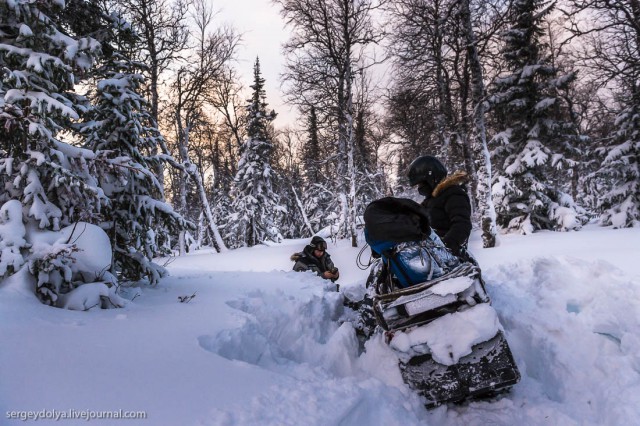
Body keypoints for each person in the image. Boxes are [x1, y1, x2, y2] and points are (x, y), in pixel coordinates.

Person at [407, 155, 472, 257]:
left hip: (448, 258)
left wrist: (445, 246)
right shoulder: (430, 200)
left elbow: (462, 224)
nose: (420, 188)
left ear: (432, 178)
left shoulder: (454, 194)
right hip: (430, 254)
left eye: (421, 184)